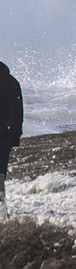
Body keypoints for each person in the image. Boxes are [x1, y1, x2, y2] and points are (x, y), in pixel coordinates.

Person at [0, 61, 20, 219]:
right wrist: (14, 137)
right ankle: (2, 211)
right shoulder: (11, 82)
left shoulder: (10, 82)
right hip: (3, 137)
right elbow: (17, 112)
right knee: (0, 175)